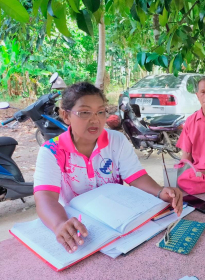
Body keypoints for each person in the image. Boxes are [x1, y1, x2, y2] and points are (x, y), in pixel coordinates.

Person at [33, 82, 183, 253]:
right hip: (78, 225)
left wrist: (159, 191)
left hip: (116, 220)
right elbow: (45, 198)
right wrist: (59, 224)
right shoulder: (51, 151)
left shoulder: (116, 141)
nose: (95, 119)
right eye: (84, 112)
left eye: (100, 112)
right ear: (65, 116)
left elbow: (135, 176)